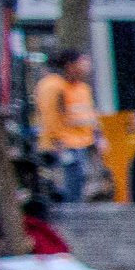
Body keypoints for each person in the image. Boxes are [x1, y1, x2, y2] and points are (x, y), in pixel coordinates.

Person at [30, 47, 104, 204]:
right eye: (82, 63)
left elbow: (89, 115)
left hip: (81, 143)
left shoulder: (81, 88)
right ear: (70, 65)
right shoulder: (53, 86)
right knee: (68, 185)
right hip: (62, 145)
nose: (86, 67)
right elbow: (51, 118)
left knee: (79, 182)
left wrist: (98, 138)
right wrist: (57, 142)